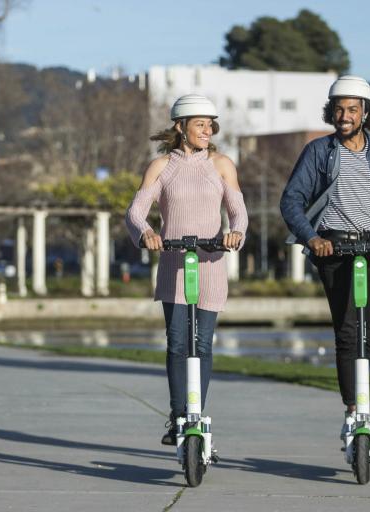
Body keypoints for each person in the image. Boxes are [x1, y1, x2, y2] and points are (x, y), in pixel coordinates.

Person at [279, 75, 370, 442]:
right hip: (334, 248)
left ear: (365, 113)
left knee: (366, 332)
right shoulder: (318, 152)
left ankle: (364, 406)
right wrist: (313, 238)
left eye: (352, 109)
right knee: (346, 330)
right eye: (338, 109)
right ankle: (354, 412)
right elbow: (291, 200)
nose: (344, 115)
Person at [125, 94, 248, 445]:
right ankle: (179, 416)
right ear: (181, 127)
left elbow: (238, 210)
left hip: (210, 262)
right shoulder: (161, 166)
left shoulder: (222, 164)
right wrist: (146, 232)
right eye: (200, 124)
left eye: (210, 125)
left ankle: (197, 417)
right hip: (174, 263)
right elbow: (135, 212)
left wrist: (236, 231)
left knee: (203, 345)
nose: (207, 130)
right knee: (178, 343)